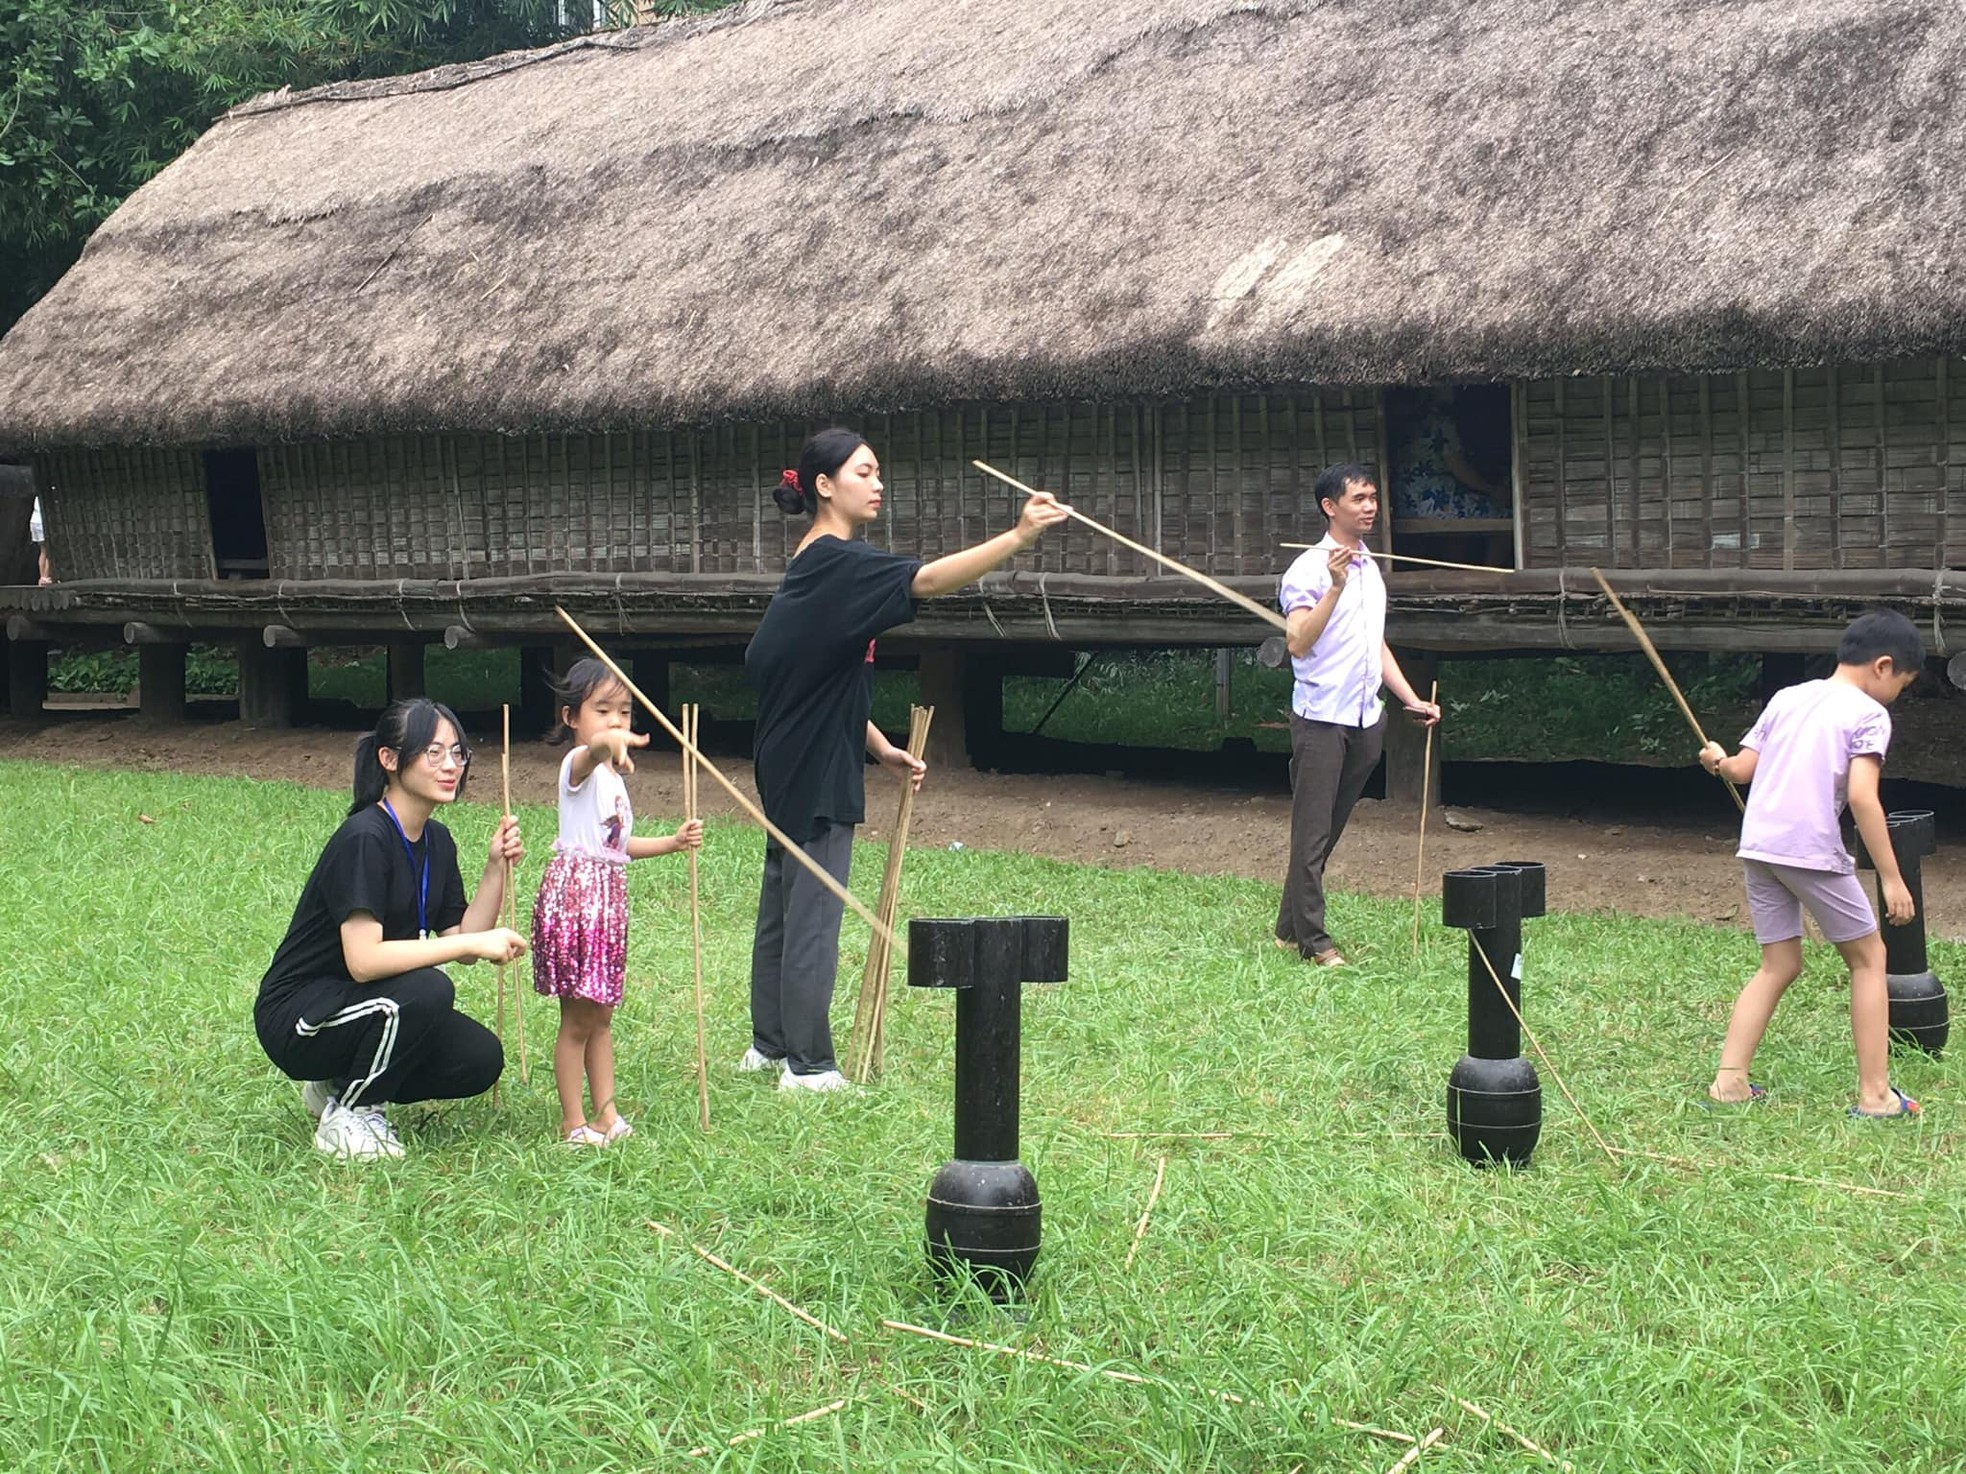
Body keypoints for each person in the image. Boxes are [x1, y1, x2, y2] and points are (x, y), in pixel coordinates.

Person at [743, 427, 1068, 1092]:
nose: (878, 482)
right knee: (815, 912)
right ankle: (808, 1066)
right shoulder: (838, 561)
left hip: (789, 753)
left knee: (784, 900)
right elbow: (926, 580)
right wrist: (1017, 538)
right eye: (865, 472)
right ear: (825, 486)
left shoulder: (811, 565)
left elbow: (812, 677)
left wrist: (880, 744)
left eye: (879, 471)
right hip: (813, 763)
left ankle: (770, 1044)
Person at [254, 698, 527, 1159]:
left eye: (458, 753)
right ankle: (352, 1115)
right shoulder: (366, 837)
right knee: (428, 990)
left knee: (479, 1058)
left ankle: (335, 1087)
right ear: (390, 760)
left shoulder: (436, 841)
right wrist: (478, 941)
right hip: (298, 1017)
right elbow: (364, 962)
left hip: (365, 1006)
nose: (451, 766)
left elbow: (461, 944)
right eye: (434, 752)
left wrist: (495, 868)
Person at [1700, 609, 1927, 1117]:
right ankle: (1876, 1097)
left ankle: (1729, 1084)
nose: (1897, 696)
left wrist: (1715, 759)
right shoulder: (1869, 714)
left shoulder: (1789, 697)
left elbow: (1739, 770)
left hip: (1759, 848)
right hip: (1810, 851)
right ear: (1884, 666)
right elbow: (1865, 799)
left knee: (1778, 963)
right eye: (1903, 685)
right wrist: (1891, 878)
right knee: (1869, 959)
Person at [531, 658, 703, 1147]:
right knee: (578, 1019)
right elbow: (593, 752)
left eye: (624, 713)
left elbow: (617, 846)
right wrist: (609, 742)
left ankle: (606, 1113)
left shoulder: (614, 780)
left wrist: (670, 842)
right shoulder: (578, 768)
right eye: (601, 710)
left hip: (607, 902)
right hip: (577, 904)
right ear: (571, 719)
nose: (615, 722)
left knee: (601, 1014)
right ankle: (573, 1122)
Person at [1274, 463, 1440, 967]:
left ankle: (1287, 927)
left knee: (1332, 826)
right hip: (1322, 718)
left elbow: (1375, 644)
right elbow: (1298, 643)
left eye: (1373, 497)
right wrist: (1334, 586)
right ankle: (1315, 943)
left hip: (1367, 718)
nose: (1370, 506)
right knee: (1312, 832)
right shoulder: (1308, 570)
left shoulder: (1372, 564)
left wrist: (1410, 698)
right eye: (1359, 499)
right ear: (1330, 507)